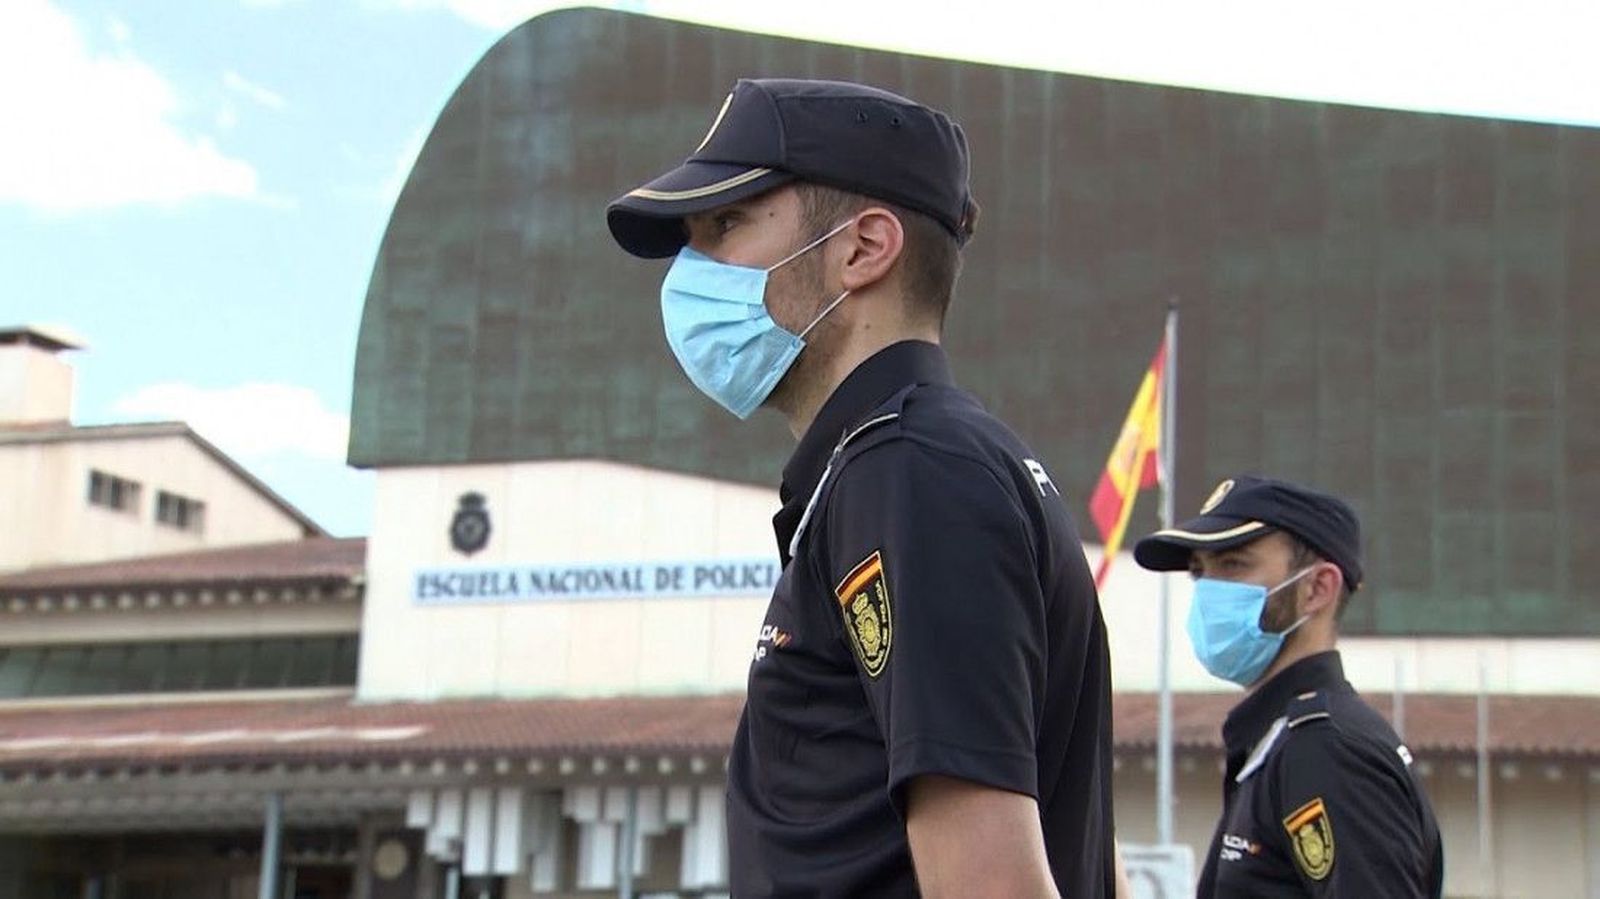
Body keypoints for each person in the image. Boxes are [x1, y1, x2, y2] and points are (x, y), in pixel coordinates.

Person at [607, 78, 1115, 897]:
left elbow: (993, 883)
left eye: (725, 225)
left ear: (863, 247)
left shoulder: (909, 471)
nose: (689, 270)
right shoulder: (916, 465)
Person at [1132, 475, 1444, 897]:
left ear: (1317, 588)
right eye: (1199, 572)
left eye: (1233, 564)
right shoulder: (1279, 742)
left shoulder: (1329, 750)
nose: (1208, 591)